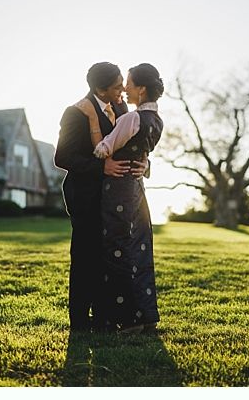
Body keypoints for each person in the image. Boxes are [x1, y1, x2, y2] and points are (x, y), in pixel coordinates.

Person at [54, 62, 146, 332]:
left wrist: (145, 164)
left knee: (110, 258)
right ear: (99, 89)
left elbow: (132, 143)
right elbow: (62, 157)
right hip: (86, 197)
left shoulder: (122, 109)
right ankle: (80, 322)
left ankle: (105, 317)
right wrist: (101, 167)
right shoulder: (75, 113)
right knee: (85, 258)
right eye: (117, 87)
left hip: (116, 199)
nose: (122, 90)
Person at [86, 63, 165, 334]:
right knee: (140, 250)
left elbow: (102, 150)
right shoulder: (157, 121)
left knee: (117, 250)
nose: (125, 88)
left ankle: (127, 319)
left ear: (141, 89)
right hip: (137, 190)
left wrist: (95, 130)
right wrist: (144, 163)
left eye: (129, 84)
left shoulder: (131, 118)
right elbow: (143, 152)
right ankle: (146, 315)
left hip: (118, 190)